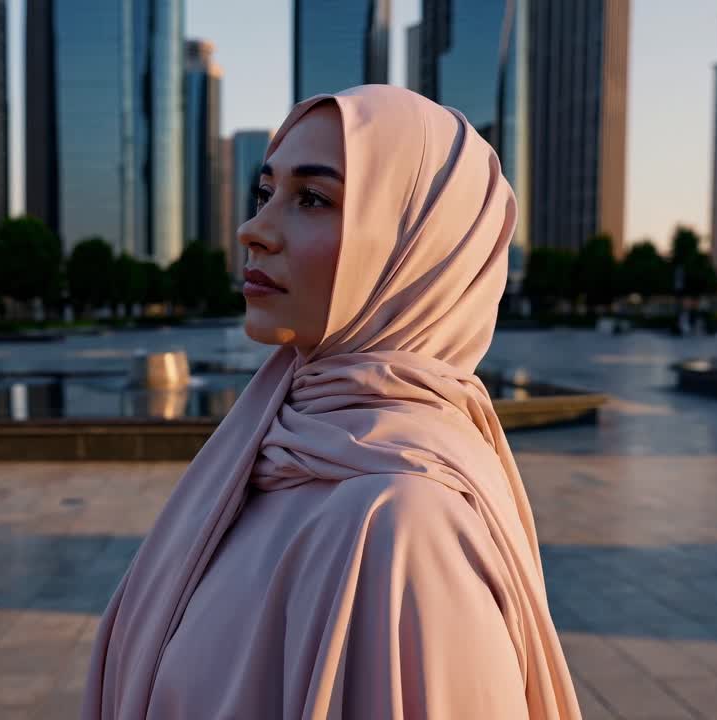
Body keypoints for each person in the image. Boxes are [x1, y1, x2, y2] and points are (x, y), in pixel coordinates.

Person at [82, 85, 581, 719]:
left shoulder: (405, 524)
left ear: (417, 251)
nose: (253, 230)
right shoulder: (269, 450)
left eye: (313, 199)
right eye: (266, 193)